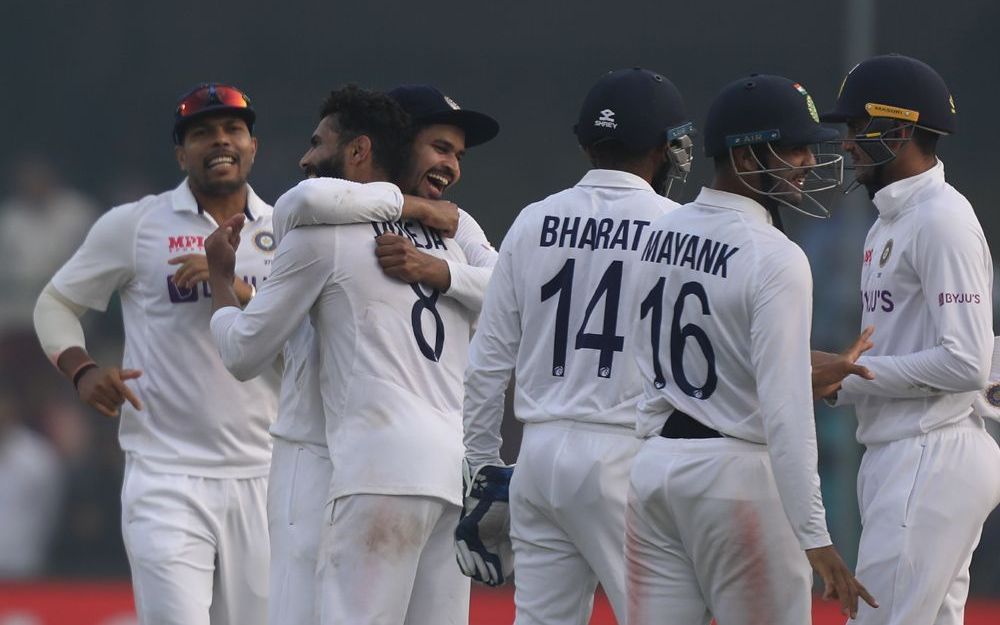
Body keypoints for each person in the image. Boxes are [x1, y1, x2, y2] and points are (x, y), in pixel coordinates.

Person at [206, 85, 479, 625]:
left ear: (358, 150)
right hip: (449, 469)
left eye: (316, 143)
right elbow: (511, 291)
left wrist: (220, 283)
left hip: (334, 462)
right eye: (439, 147)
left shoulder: (322, 231)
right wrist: (435, 256)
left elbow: (242, 354)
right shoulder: (447, 235)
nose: (305, 158)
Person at [624, 74, 877, 625]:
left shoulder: (656, 232)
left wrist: (803, 367)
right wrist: (817, 537)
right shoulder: (776, 255)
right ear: (743, 154)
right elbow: (785, 412)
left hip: (653, 470)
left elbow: (687, 359)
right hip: (738, 480)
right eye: (792, 145)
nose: (809, 159)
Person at [31, 83, 277, 625]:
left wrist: (236, 290)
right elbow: (54, 305)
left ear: (253, 146)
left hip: (268, 475)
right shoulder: (137, 224)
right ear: (180, 154)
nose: (220, 141)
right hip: (165, 474)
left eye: (233, 129)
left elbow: (309, 339)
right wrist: (83, 369)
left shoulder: (287, 231)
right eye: (202, 133)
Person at [461, 67, 695, 625]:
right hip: (623, 454)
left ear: (589, 142)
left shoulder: (532, 220)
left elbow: (487, 364)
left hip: (538, 457)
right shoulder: (678, 225)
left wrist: (481, 466)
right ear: (663, 147)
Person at [819, 54, 1000, 625]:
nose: (846, 144)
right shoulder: (887, 222)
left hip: (931, 452)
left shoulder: (941, 220)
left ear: (896, 132)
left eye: (854, 130)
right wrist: (835, 383)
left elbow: (968, 361)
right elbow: (904, 346)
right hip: (904, 453)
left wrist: (847, 375)